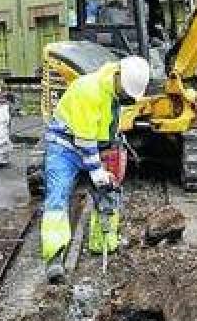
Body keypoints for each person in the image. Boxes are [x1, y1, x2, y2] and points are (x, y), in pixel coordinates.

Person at [40, 55, 151, 282]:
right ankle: (54, 259)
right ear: (118, 76)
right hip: (65, 145)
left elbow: (107, 129)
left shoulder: (114, 94)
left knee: (109, 193)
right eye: (127, 94)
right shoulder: (88, 90)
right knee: (58, 196)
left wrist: (110, 159)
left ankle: (104, 246)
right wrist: (97, 172)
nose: (127, 99)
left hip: (96, 145)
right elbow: (84, 140)